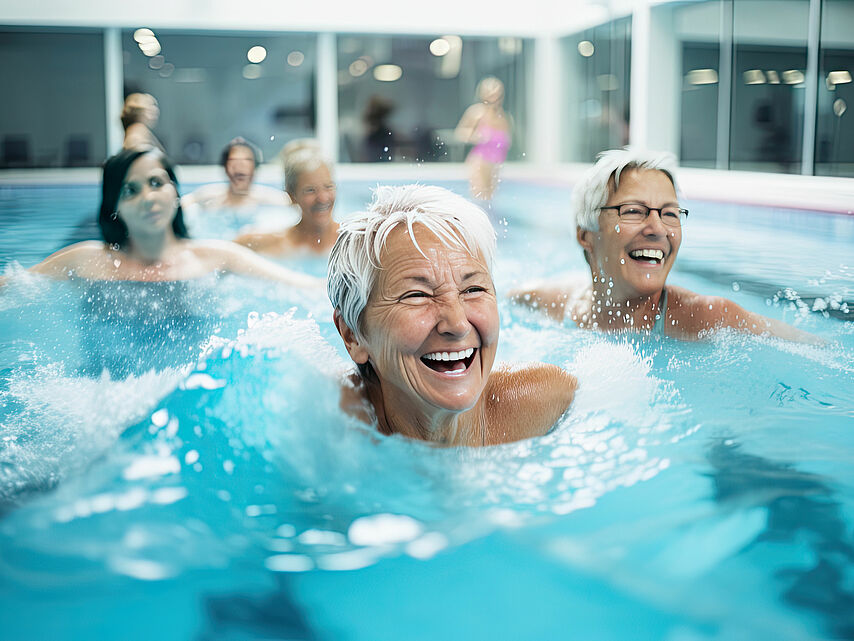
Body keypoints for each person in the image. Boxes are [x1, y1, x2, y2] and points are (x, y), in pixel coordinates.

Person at [327, 184, 577, 447]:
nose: (457, 325)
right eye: (417, 295)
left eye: (473, 289)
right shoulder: (323, 430)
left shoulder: (544, 402)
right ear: (352, 335)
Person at [511, 147, 821, 343]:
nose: (658, 228)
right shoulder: (553, 303)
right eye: (633, 210)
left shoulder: (708, 319)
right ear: (585, 234)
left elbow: (823, 352)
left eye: (670, 213)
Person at [18, 148, 320, 287]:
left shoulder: (215, 257)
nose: (148, 198)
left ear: (175, 191)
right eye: (130, 190)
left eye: (156, 183)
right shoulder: (85, 261)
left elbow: (304, 287)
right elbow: (14, 287)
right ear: (114, 207)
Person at [234, 148, 338, 256]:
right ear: (292, 196)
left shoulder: (353, 242)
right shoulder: (271, 244)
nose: (323, 198)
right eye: (310, 190)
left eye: (328, 187)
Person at [181, 137, 288, 213]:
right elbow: (180, 205)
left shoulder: (271, 201)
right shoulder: (206, 197)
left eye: (246, 161)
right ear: (225, 168)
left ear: (255, 169)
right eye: (234, 161)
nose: (240, 166)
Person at [455, 77, 512, 202]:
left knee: (490, 200)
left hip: (496, 164)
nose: (494, 97)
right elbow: (459, 133)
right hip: (480, 162)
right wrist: (475, 136)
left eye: (497, 94)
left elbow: (507, 141)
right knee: (479, 198)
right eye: (491, 93)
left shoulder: (504, 117)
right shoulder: (476, 113)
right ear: (483, 94)